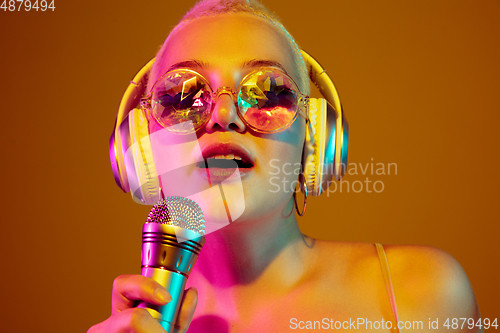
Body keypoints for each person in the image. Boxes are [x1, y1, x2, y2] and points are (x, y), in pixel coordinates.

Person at [89, 0, 482, 332]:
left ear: (313, 140)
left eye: (267, 93)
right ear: (141, 147)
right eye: (181, 96)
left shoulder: (423, 294)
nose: (223, 115)